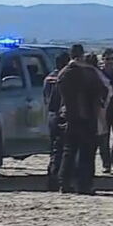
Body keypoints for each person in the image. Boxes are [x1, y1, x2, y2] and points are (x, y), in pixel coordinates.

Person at [57, 45, 108, 194]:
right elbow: (102, 90)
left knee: (69, 151)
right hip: (86, 116)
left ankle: (64, 183)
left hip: (69, 116)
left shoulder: (64, 73)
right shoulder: (88, 72)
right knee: (86, 152)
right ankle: (83, 184)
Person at [43, 52, 70, 190]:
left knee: (54, 149)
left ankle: (51, 178)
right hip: (61, 115)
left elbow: (45, 97)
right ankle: (59, 180)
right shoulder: (65, 77)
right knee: (64, 149)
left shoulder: (49, 78)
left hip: (51, 115)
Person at [85, 53, 113, 173]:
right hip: (97, 111)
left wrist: (103, 104)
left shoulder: (93, 74)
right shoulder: (97, 74)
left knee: (98, 140)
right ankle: (105, 164)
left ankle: (105, 164)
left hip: (94, 111)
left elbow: (107, 90)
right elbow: (109, 90)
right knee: (101, 139)